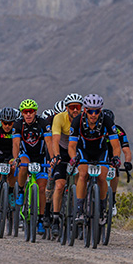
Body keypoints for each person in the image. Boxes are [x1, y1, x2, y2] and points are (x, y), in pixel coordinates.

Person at [67, 94, 122, 223]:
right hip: (83, 151)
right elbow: (72, 145)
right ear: (85, 110)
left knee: (103, 177)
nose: (93, 114)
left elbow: (115, 145)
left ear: (100, 111)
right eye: (90, 111)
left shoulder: (107, 120)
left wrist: (116, 158)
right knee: (83, 174)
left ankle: (102, 209)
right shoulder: (77, 121)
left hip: (101, 151)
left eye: (96, 111)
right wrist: (74, 158)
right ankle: (80, 210)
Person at [14, 99, 53, 234]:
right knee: (23, 166)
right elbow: (15, 143)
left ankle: (41, 220)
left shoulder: (43, 123)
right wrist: (15, 158)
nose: (28, 114)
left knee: (42, 189)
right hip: (26, 155)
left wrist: (52, 158)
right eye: (25, 112)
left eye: (31, 112)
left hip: (40, 156)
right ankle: (20, 190)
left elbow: (49, 142)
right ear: (22, 113)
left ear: (35, 112)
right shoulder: (18, 124)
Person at [49, 93, 82, 230]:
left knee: (81, 181)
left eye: (78, 107)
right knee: (60, 185)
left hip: (77, 151)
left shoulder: (83, 119)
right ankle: (56, 218)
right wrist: (56, 156)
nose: (75, 110)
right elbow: (55, 140)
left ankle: (80, 212)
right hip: (62, 151)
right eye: (72, 107)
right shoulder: (59, 118)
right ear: (67, 108)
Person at [101, 108, 133, 217]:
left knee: (114, 170)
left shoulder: (118, 130)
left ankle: (112, 200)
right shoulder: (97, 129)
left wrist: (127, 162)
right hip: (98, 153)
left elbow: (126, 149)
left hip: (112, 155)